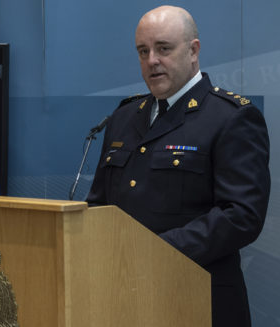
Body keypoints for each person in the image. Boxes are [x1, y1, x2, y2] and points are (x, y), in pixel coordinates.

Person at [86, 6, 270, 327]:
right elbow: (99, 204)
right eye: (143, 51)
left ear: (193, 50)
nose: (152, 60)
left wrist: (156, 251)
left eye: (163, 49)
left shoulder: (231, 117)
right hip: (123, 299)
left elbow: (241, 215)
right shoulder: (124, 117)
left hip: (197, 298)